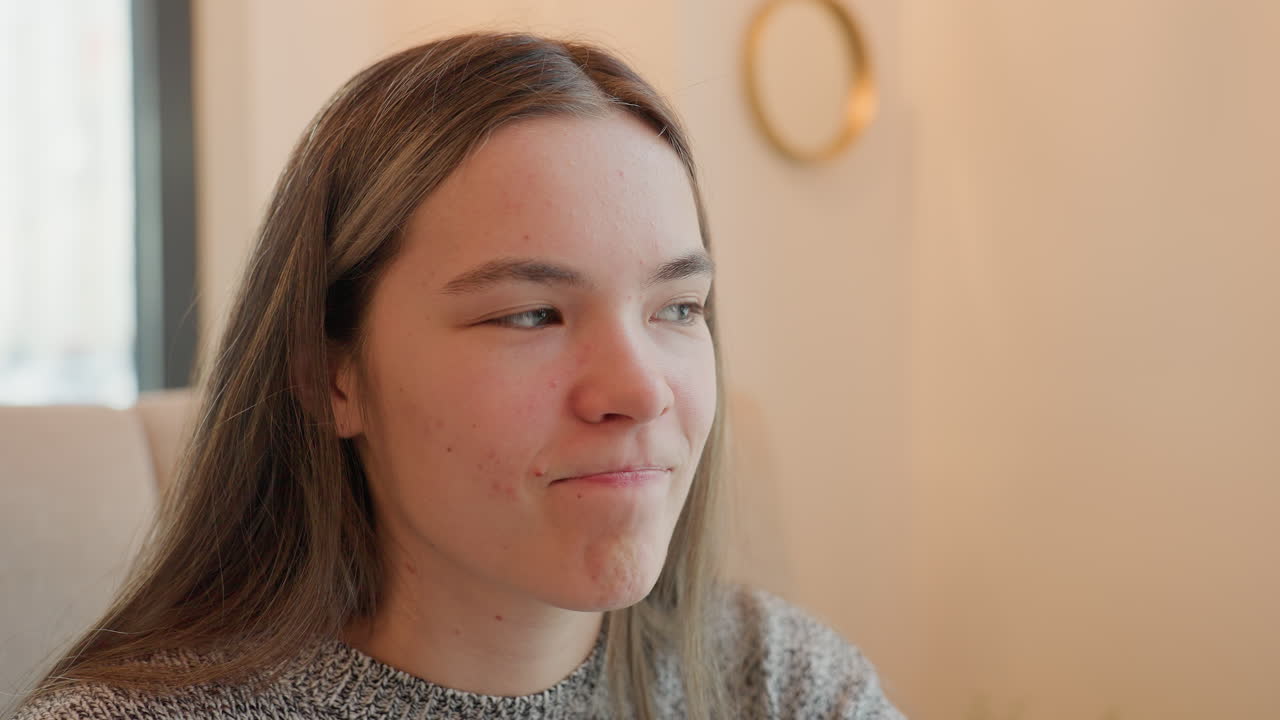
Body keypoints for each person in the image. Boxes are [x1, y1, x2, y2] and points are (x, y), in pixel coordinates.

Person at [14, 32, 904, 719]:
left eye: (677, 309)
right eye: (530, 314)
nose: (639, 391)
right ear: (330, 376)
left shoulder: (782, 683)